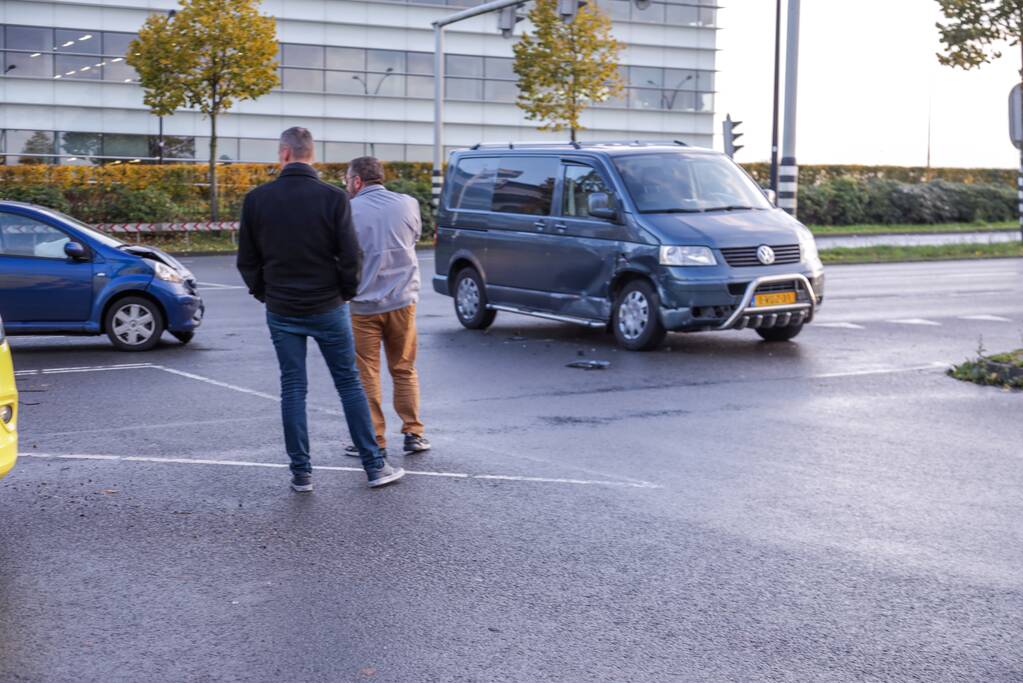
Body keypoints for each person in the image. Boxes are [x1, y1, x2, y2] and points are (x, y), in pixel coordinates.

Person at [237, 128, 405, 491]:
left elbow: (247, 260)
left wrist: (264, 293)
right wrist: (344, 292)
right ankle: (374, 466)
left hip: (282, 307)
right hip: (328, 305)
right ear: (311, 154)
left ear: (283, 154)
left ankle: (301, 473)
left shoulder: (257, 200)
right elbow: (350, 255)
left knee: (293, 388)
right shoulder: (332, 198)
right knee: (349, 384)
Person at [343, 156, 431, 458]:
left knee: (367, 372)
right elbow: (414, 238)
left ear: (356, 181)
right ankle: (414, 433)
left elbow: (342, 255)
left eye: (347, 180)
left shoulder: (348, 210)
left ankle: (374, 439)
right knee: (404, 368)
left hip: (363, 305)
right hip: (403, 300)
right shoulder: (408, 204)